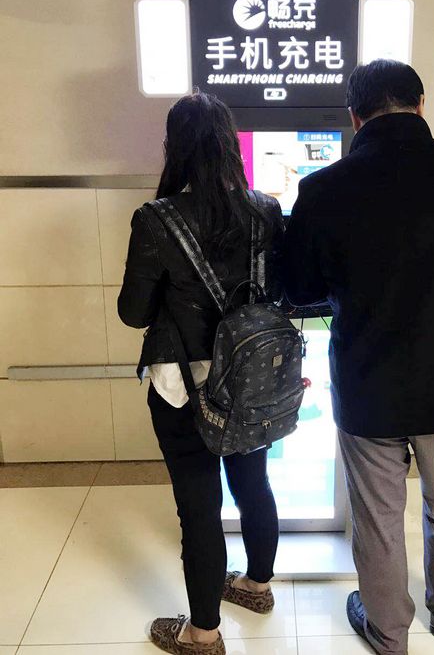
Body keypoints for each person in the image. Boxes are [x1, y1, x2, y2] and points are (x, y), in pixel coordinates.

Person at [283, 60, 434, 655]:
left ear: (354, 117)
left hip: (366, 383)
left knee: (377, 517)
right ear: (421, 105)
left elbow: (298, 289)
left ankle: (387, 631)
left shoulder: (322, 188)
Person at [118, 91, 284, 655]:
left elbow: (133, 312)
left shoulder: (156, 218)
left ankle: (203, 634)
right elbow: (276, 290)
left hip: (182, 387)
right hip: (251, 382)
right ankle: (256, 587)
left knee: (199, 505)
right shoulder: (265, 211)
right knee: (254, 483)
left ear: (176, 147)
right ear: (229, 144)